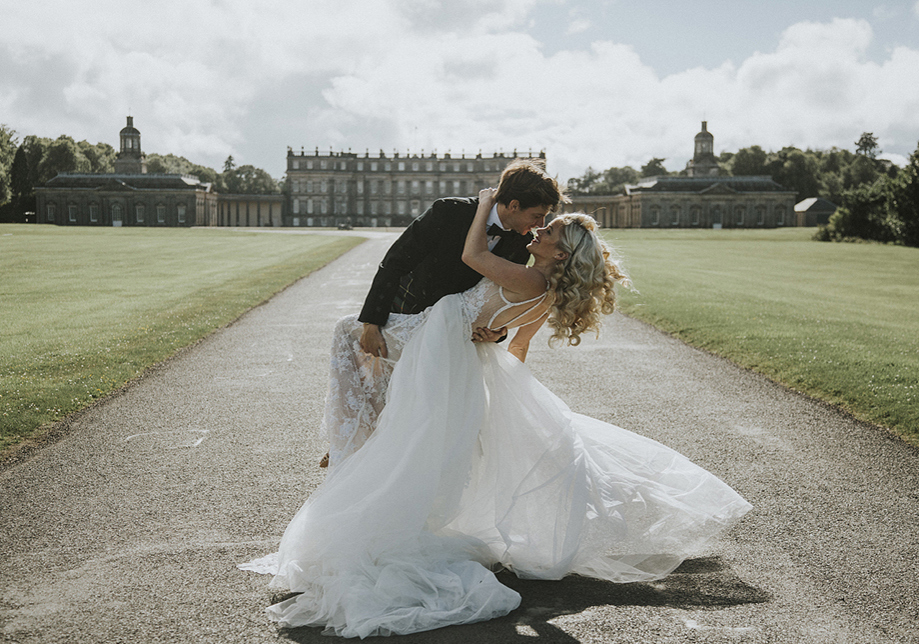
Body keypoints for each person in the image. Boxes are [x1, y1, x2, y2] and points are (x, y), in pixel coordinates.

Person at [239, 188, 752, 638]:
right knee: (377, 381)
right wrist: (490, 349)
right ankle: (356, 439)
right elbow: (516, 347)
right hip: (453, 345)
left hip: (436, 339)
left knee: (348, 337)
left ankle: (351, 442)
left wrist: (485, 202)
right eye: (541, 221)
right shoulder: (541, 290)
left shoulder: (530, 281)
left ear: (559, 251)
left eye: (547, 229)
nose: (537, 229)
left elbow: (472, 252)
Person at [318, 158, 563, 468]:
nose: (539, 225)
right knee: (374, 369)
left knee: (405, 396)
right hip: (408, 312)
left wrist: (497, 334)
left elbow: (500, 299)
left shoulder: (521, 243)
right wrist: (372, 321)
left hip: (449, 331)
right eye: (537, 215)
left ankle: (357, 446)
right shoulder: (449, 211)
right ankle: (349, 439)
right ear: (513, 205)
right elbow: (394, 262)